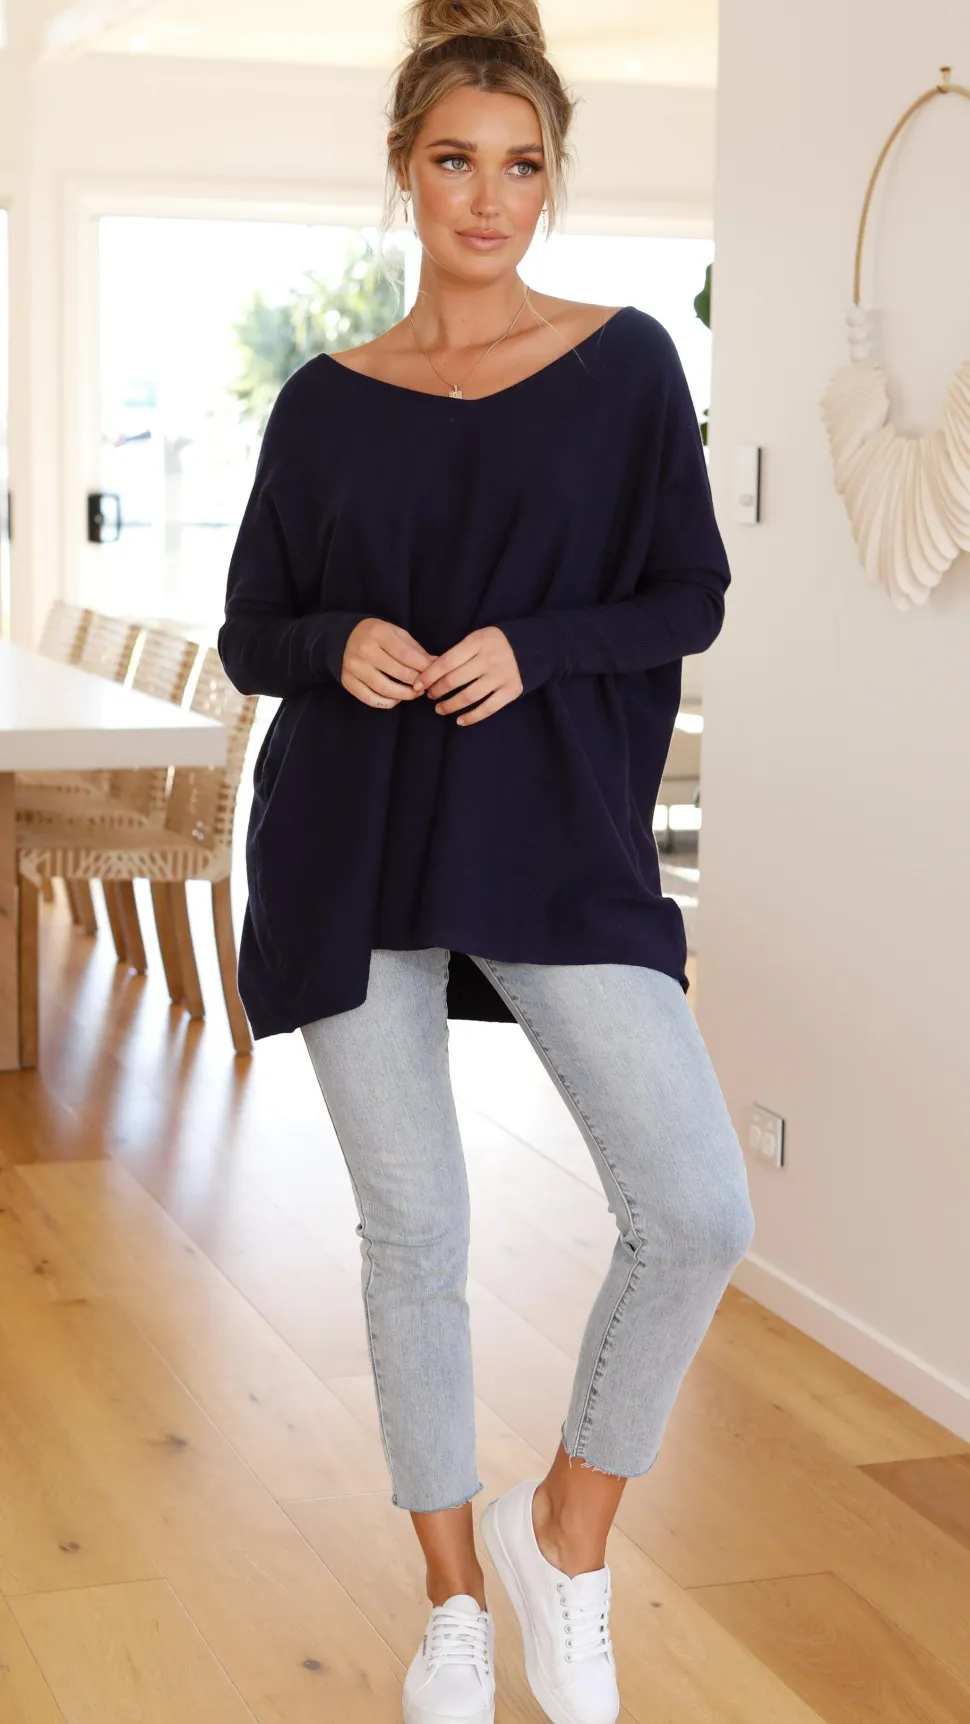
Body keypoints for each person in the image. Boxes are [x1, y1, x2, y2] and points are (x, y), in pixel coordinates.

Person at [218, 2, 756, 1720]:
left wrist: (535, 645)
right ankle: (452, 1598)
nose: (487, 198)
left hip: (552, 838)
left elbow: (688, 595)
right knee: (415, 1231)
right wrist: (338, 641)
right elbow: (248, 631)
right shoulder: (324, 402)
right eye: (455, 162)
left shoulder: (624, 367)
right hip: (348, 843)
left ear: (550, 180)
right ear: (405, 170)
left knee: (694, 1208)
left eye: (520, 167)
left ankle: (560, 1535)